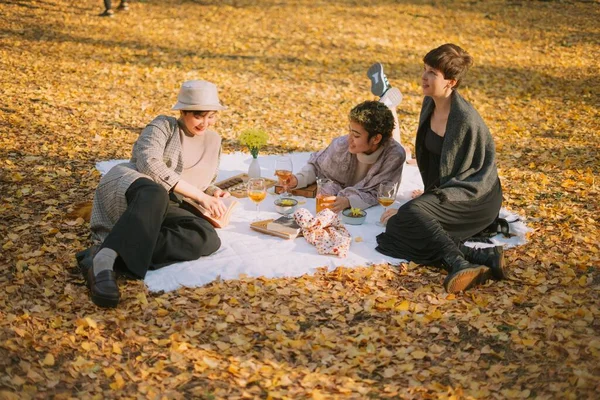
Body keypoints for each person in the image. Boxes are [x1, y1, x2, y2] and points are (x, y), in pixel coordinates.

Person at [77, 80, 229, 308]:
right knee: (156, 192)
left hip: (171, 202)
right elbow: (149, 163)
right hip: (137, 188)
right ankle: (104, 262)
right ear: (183, 111)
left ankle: (110, 254)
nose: (205, 123)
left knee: (207, 237)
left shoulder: (214, 141)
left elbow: (204, 181)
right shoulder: (163, 126)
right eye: (198, 115)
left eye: (211, 116)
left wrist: (213, 192)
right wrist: (200, 196)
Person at [375, 43, 507, 293]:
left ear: (451, 82)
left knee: (409, 217)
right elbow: (436, 161)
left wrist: (428, 202)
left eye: (433, 73)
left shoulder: (465, 121)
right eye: (424, 69)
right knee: (398, 225)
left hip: (475, 197)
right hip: (453, 189)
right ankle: (482, 257)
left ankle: (458, 263)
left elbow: (469, 176)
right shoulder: (430, 103)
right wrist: (427, 200)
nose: (424, 77)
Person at [279, 98, 406, 213]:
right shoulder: (341, 144)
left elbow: (380, 193)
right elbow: (317, 166)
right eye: (350, 131)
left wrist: (348, 201)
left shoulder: (394, 155)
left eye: (356, 135)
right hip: (331, 205)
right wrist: (298, 179)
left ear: (376, 138)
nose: (349, 138)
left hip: (371, 212)